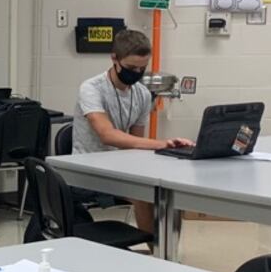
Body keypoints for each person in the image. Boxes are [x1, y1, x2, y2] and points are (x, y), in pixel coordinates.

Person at [71, 28, 192, 234]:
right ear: (114, 59)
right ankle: (158, 258)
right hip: (87, 172)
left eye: (141, 69)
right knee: (143, 195)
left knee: (171, 192)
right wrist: (162, 143)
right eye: (131, 67)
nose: (136, 73)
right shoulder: (91, 88)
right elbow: (107, 135)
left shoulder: (142, 94)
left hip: (120, 170)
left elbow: (136, 142)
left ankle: (168, 253)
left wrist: (168, 152)